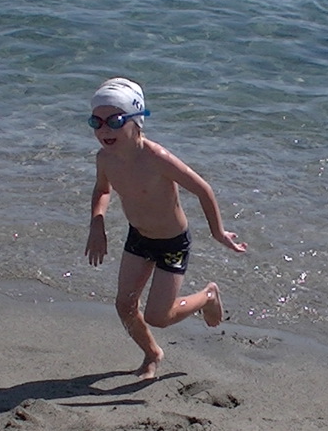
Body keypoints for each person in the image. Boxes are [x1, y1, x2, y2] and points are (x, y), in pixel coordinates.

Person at [85, 77, 247, 380]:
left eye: (115, 120)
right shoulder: (105, 159)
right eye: (96, 121)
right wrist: (98, 222)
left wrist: (218, 232)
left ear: (136, 121)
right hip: (138, 237)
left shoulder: (157, 159)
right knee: (125, 305)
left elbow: (202, 189)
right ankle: (152, 354)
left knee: (159, 316)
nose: (104, 129)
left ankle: (208, 296)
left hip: (172, 243)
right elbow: (102, 191)